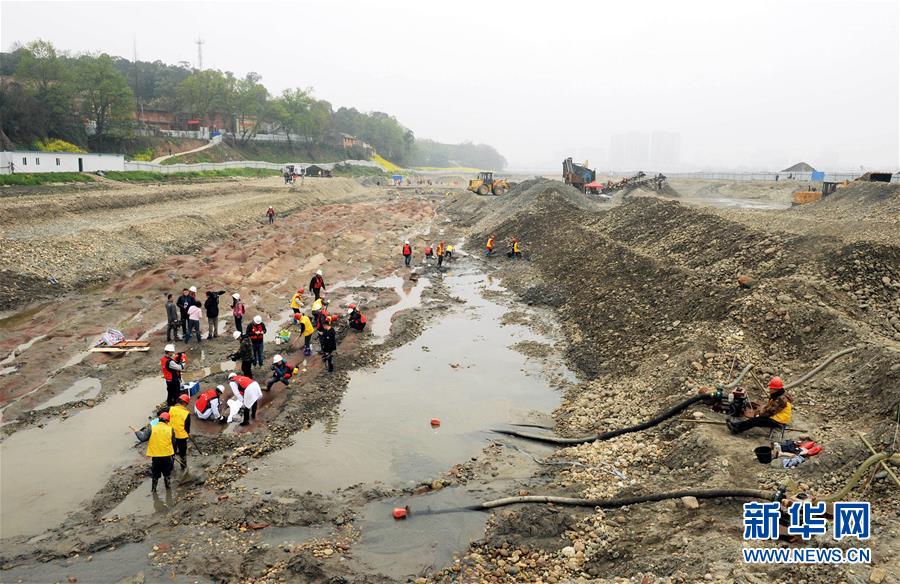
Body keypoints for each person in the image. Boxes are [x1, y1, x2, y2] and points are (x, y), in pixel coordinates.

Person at [727, 377, 793, 434]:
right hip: (776, 416)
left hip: (778, 420)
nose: (769, 389)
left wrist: (757, 414)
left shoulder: (781, 400)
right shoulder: (778, 395)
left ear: (776, 389)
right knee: (756, 418)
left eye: (771, 388)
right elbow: (770, 406)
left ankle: (736, 429)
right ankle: (735, 426)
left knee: (756, 420)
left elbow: (769, 412)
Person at [146, 411, 176, 492]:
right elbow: (173, 443)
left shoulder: (152, 428)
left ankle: (153, 490)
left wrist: (136, 431)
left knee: (155, 474)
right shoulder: (170, 429)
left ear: (159, 420)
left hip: (156, 457)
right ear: (167, 421)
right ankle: (168, 489)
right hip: (167, 456)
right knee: (167, 474)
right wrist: (173, 454)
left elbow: (143, 438)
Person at [169, 394, 192, 470]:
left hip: (171, 435)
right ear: (185, 403)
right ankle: (183, 466)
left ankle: (171, 466)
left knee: (172, 451)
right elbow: (187, 428)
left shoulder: (170, 409)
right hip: (181, 436)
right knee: (182, 451)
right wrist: (188, 434)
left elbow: (160, 414)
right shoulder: (186, 413)